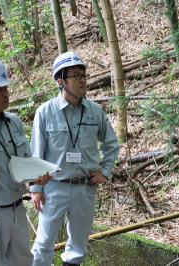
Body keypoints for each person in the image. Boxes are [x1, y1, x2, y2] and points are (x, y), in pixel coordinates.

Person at [30, 51, 120, 266]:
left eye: (84, 76)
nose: (82, 81)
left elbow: (111, 144)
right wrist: (35, 189)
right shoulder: (45, 112)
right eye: (76, 76)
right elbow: (36, 153)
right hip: (54, 187)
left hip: (84, 188)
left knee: (78, 245)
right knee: (43, 244)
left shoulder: (95, 111)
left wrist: (105, 172)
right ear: (60, 81)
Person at [0, 56, 51, 266]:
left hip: (18, 208)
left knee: (23, 261)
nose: (5, 93)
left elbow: (27, 160)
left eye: (5, 88)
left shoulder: (13, 122)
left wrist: (38, 178)